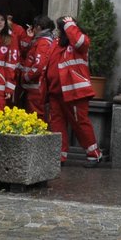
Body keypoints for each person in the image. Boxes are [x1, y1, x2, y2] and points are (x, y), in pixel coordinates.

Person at [45, 14, 104, 165]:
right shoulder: (57, 44)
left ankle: (94, 154)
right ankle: (60, 156)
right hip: (56, 93)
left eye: (61, 28)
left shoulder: (80, 41)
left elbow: (79, 42)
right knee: (57, 125)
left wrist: (69, 24)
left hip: (75, 92)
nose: (59, 31)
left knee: (80, 124)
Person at [19, 17, 55, 118]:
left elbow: (39, 66)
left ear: (38, 27)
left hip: (35, 87)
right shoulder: (41, 40)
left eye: (33, 27)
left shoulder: (43, 42)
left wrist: (26, 77)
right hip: (35, 87)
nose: (32, 30)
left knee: (35, 117)